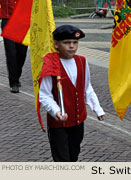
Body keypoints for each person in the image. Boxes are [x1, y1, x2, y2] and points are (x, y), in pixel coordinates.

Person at [39, 25, 105, 162]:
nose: (72, 46)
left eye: (75, 43)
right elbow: (44, 94)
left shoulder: (82, 61)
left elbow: (87, 88)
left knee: (74, 155)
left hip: (78, 119)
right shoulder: (51, 62)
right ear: (56, 44)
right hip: (59, 123)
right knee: (63, 160)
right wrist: (55, 111)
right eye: (66, 43)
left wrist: (97, 108)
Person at [0, 0, 31, 93]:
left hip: (22, 23)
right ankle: (13, 81)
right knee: (11, 53)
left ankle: (16, 77)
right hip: (8, 22)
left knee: (22, 53)